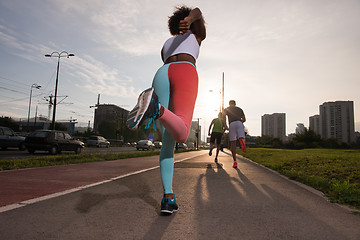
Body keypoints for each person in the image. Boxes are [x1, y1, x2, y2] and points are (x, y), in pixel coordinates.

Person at [126, 6, 206, 215]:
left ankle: (168, 198)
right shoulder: (196, 36)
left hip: (162, 73)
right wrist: (192, 19)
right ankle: (156, 108)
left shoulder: (166, 44)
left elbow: (194, 13)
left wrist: (187, 19)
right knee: (182, 134)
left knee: (168, 144)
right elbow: (198, 10)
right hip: (185, 71)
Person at [223, 100, 246, 168]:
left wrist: (225, 125)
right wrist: (239, 122)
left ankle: (235, 162)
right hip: (239, 123)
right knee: (241, 137)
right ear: (235, 104)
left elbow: (224, 117)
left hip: (232, 124)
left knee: (233, 143)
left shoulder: (227, 109)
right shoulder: (240, 109)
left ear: (229, 104)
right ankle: (241, 140)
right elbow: (244, 119)